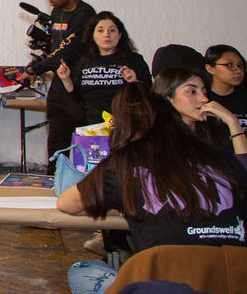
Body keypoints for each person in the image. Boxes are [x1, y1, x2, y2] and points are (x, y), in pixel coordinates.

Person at [56, 83, 247, 294]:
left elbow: (67, 204)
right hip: (235, 276)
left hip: (165, 280)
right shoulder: (220, 157)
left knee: (82, 270)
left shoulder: (125, 162)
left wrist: (123, 202)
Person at [22, 0, 96, 171]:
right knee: (56, 145)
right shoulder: (57, 13)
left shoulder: (85, 14)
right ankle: (53, 182)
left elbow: (66, 52)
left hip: (79, 88)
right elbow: (55, 49)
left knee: (86, 149)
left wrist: (34, 69)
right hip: (59, 88)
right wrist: (37, 63)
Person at [58, 12, 152, 127]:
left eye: (112, 30)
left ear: (120, 35)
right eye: (100, 30)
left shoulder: (134, 60)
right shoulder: (84, 61)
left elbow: (149, 94)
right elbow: (77, 98)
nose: (106, 34)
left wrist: (134, 81)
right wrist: (66, 79)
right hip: (92, 126)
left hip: (127, 126)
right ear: (92, 34)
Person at [153, 67, 247, 154]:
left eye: (204, 92)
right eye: (192, 92)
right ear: (168, 97)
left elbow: (242, 167)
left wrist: (232, 122)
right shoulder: (159, 140)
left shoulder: (213, 131)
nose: (204, 99)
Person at [205, 44, 247, 131]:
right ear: (210, 69)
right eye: (229, 65)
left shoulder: (244, 99)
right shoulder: (202, 99)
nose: (238, 71)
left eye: (240, 65)